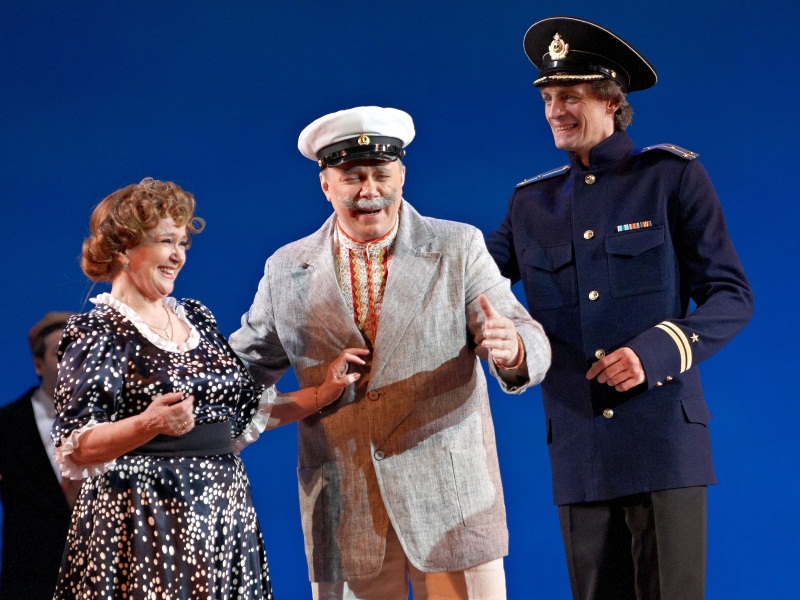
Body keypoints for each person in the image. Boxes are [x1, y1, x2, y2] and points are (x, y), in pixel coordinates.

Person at [229, 106, 551, 599]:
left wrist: (514, 350)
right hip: (345, 507)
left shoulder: (458, 245)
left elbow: (524, 330)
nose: (369, 190)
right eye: (352, 177)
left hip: (452, 505)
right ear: (325, 185)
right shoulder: (286, 269)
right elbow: (238, 371)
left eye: (381, 174)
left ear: (401, 175)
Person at [486, 16, 754, 600]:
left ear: (611, 101)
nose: (555, 111)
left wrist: (655, 353)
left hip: (664, 444)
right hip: (580, 451)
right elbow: (469, 284)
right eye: (548, 98)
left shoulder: (671, 177)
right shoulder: (530, 204)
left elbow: (732, 295)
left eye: (570, 97)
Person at [51, 177, 365, 599]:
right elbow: (78, 447)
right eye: (166, 241)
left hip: (222, 512)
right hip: (143, 517)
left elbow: (240, 416)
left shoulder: (195, 317)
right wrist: (148, 424)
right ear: (123, 248)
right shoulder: (98, 330)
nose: (178, 254)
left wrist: (322, 393)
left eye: (182, 242)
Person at [0, 312, 76, 599]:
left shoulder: (113, 423)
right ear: (38, 365)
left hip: (98, 580)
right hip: (30, 584)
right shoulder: (7, 425)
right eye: (59, 352)